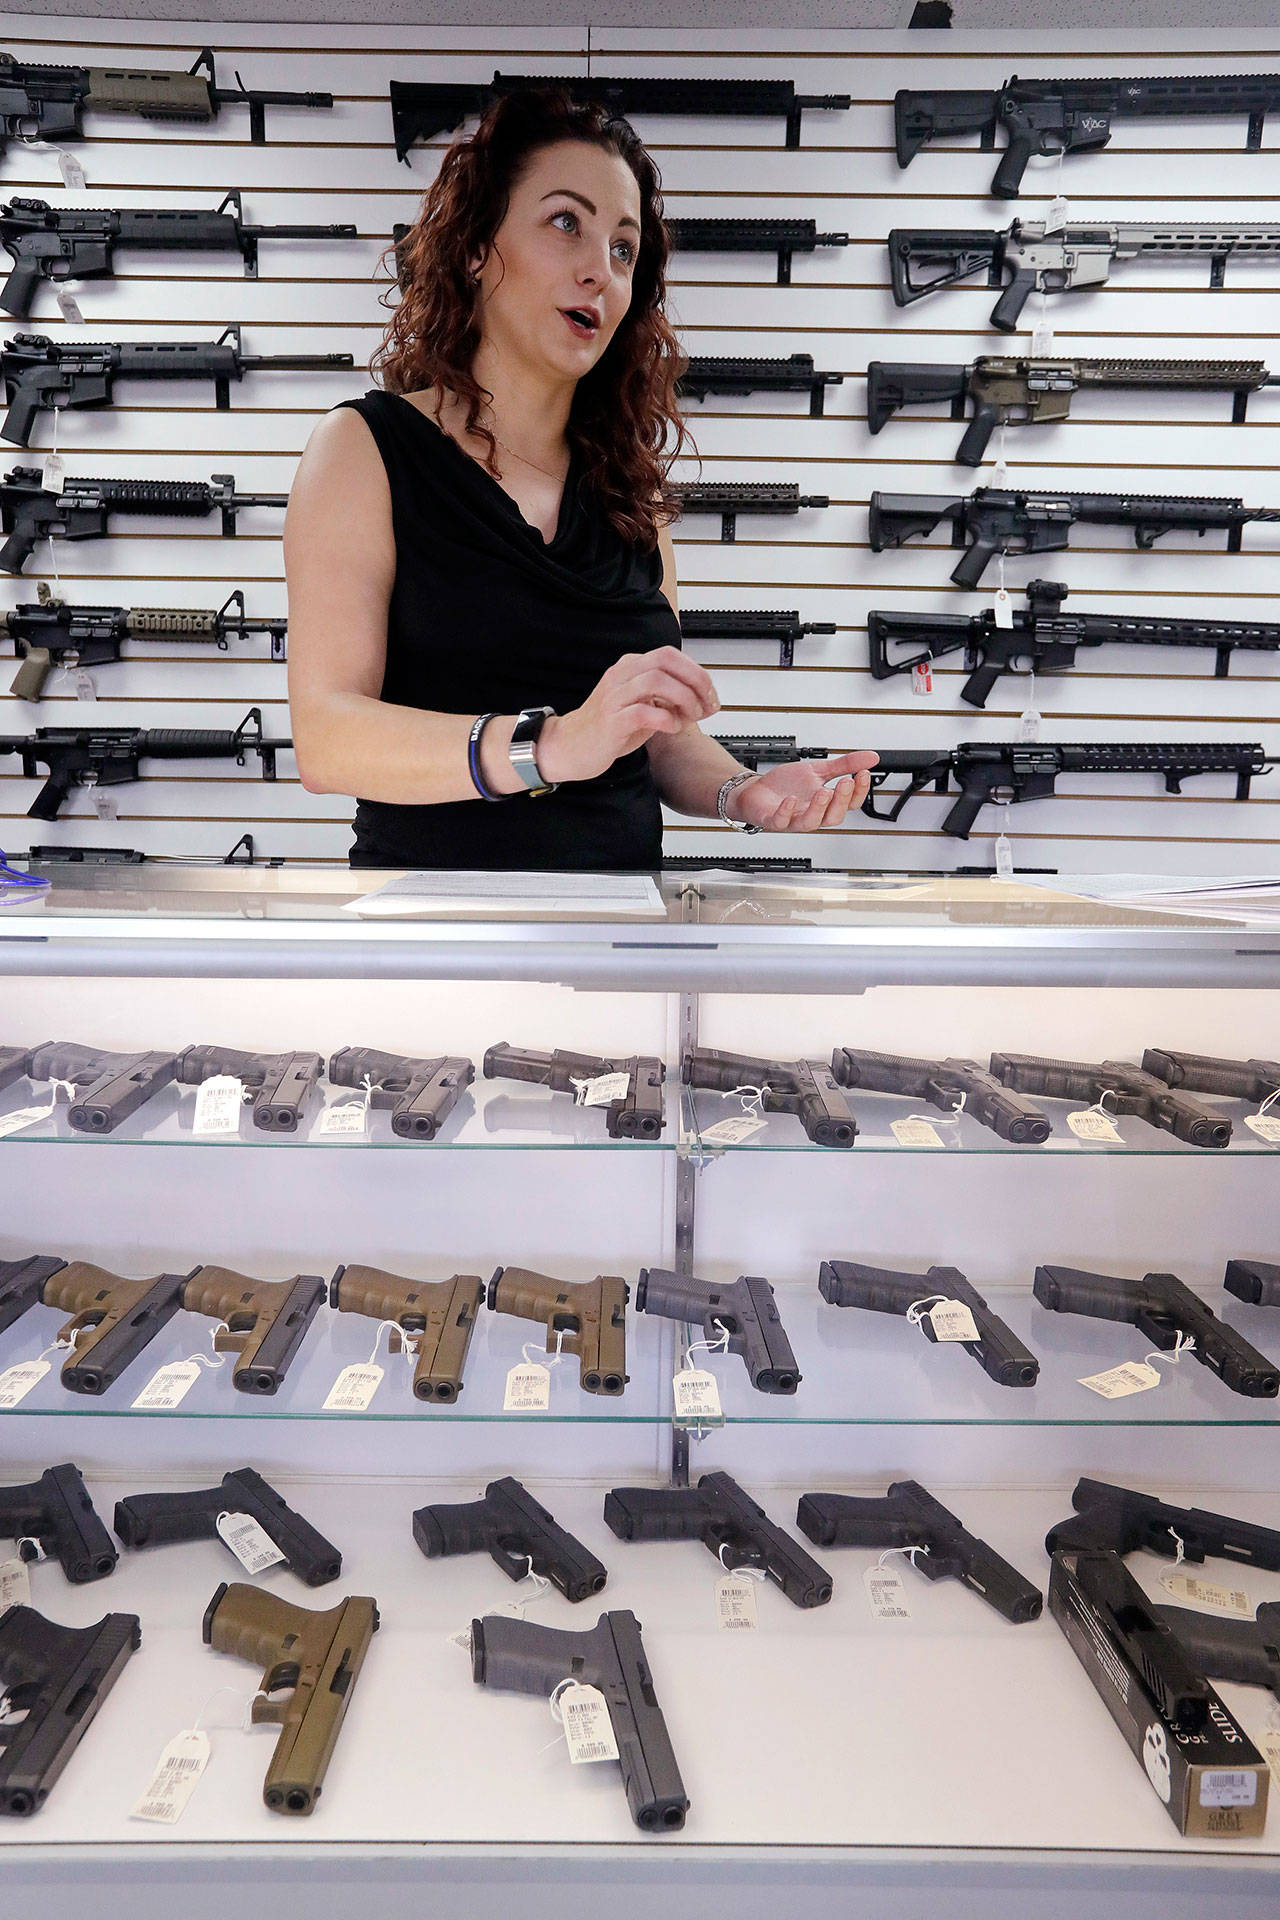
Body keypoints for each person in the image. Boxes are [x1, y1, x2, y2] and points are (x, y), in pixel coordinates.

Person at [285, 86, 876, 869]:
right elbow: (329, 739)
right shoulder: (364, 450)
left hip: (620, 947)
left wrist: (745, 794)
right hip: (430, 944)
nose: (599, 270)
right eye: (567, 223)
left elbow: (660, 740)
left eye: (623, 249)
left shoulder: (630, 489)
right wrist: (554, 744)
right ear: (474, 245)